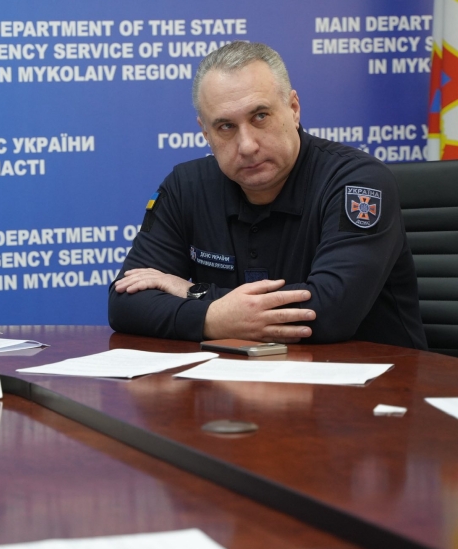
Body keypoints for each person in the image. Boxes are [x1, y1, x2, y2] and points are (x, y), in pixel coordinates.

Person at [109, 41, 426, 349]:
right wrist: (215, 317)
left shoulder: (358, 182)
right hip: (239, 379)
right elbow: (125, 302)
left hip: (372, 378)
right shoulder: (185, 187)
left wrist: (196, 294)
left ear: (293, 109)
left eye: (260, 116)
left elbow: (329, 312)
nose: (247, 145)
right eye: (225, 127)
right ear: (205, 132)